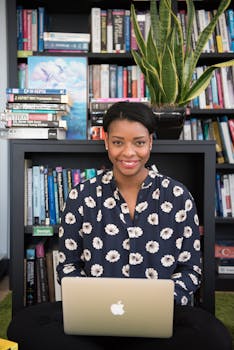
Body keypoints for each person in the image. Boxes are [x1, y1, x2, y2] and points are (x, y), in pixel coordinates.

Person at [7, 102, 232, 350]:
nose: (128, 152)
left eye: (138, 142)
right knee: (22, 326)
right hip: (95, 315)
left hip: (162, 315)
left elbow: (191, 268)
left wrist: (160, 303)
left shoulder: (178, 196)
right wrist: (89, 303)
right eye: (118, 142)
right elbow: (68, 264)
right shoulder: (81, 196)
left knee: (215, 337)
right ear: (106, 142)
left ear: (150, 143)